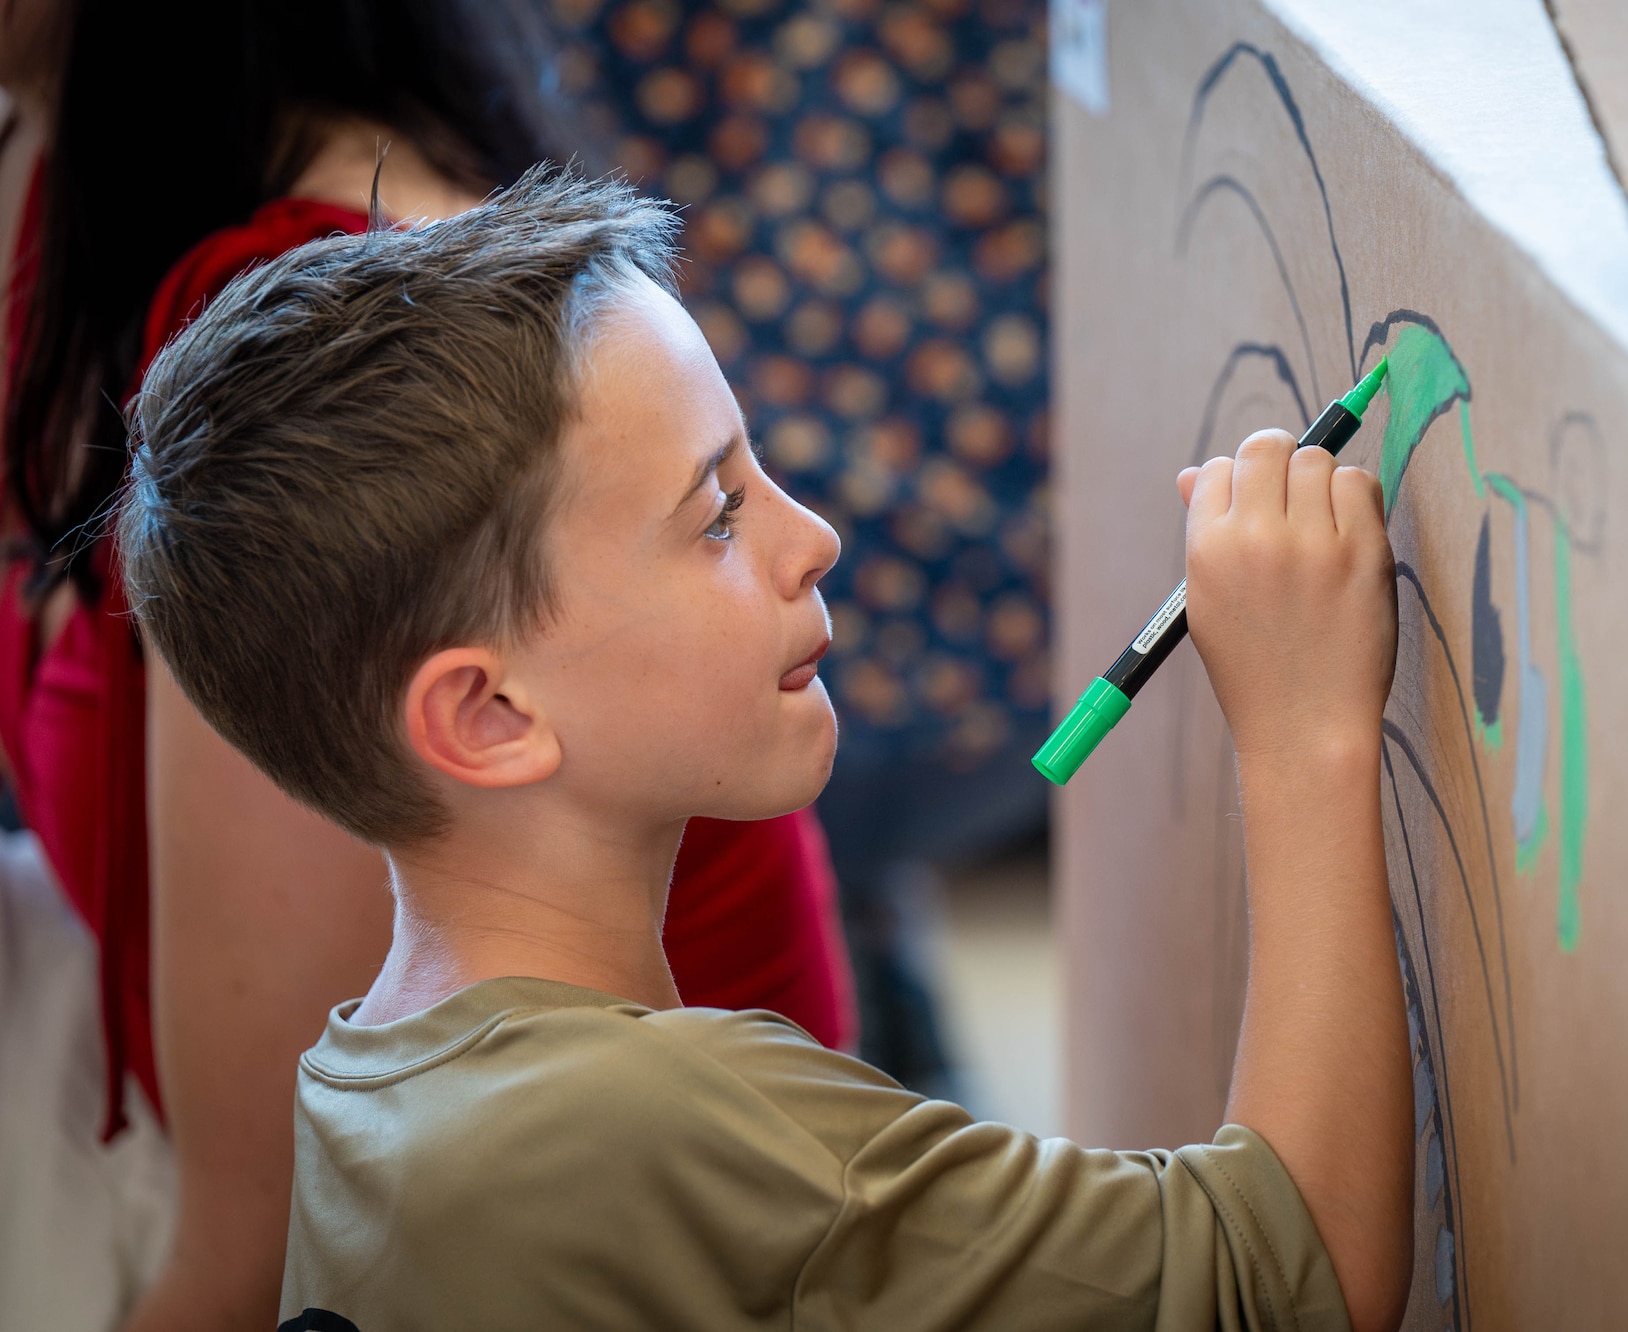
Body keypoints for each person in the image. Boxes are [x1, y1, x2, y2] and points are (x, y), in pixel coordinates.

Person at [120, 168, 1414, 1331]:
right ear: (490, 716)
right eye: (719, 516)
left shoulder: (365, 1074)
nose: (814, 540)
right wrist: (1305, 728)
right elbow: (1288, 1276)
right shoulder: (653, 1129)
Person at [0, 5, 852, 1327]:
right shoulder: (86, 195)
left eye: (726, 506)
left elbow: (1244, 1249)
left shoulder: (302, 340)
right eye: (723, 507)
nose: (824, 540)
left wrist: (1297, 744)